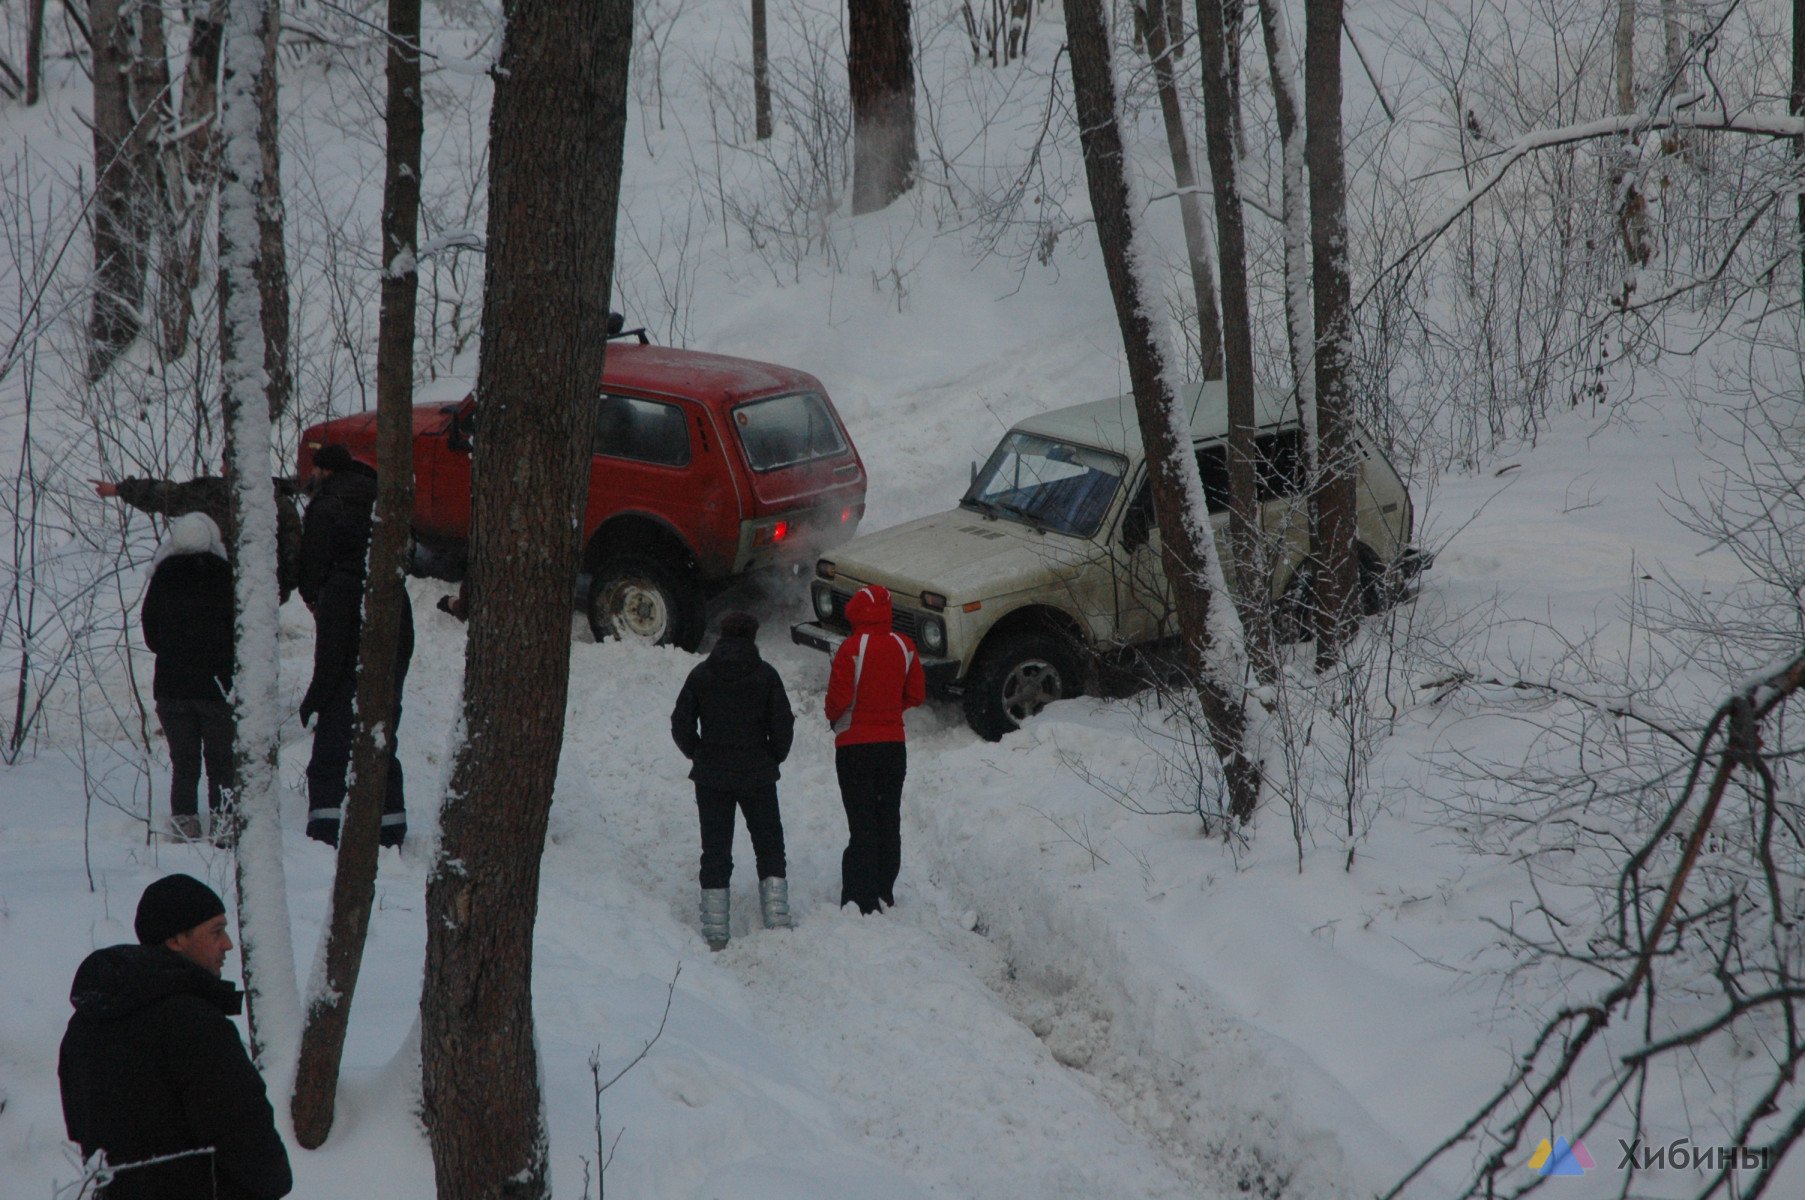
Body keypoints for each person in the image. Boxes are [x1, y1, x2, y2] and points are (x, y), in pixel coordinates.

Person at [58, 873, 293, 1200]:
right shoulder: (194, 1024)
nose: (227, 944)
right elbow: (253, 1150)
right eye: (216, 931)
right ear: (177, 939)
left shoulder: (86, 1025)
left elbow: (86, 1136)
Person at [298, 444, 412, 848]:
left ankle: (325, 827)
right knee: (382, 736)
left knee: (333, 737)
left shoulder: (326, 511)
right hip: (391, 640)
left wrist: (313, 699)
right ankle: (390, 826)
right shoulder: (381, 498)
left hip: (346, 636)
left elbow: (330, 658)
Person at [670, 611, 796, 949]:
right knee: (769, 845)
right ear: (752, 637)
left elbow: (680, 723)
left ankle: (715, 932)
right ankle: (777, 921)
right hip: (757, 773)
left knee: (715, 850)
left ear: (721, 638)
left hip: (712, 777)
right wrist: (772, 757)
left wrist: (700, 753)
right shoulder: (766, 676)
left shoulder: (701, 675)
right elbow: (783, 725)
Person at [824, 584, 926, 914]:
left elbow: (837, 701)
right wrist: (890, 713)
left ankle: (859, 896)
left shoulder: (852, 648)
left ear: (856, 613)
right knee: (888, 818)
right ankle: (884, 889)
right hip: (893, 748)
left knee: (862, 821)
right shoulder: (904, 645)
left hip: (855, 748)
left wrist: (835, 717)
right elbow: (917, 694)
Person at [141, 512, 237, 845]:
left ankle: (184, 827)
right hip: (217, 687)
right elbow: (238, 631)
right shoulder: (226, 576)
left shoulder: (162, 576)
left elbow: (150, 635)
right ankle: (225, 829)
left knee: (184, 763)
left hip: (172, 688)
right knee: (222, 761)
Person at [95, 471, 304, 603]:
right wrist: (280, 590)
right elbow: (293, 554)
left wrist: (120, 489)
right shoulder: (279, 502)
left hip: (214, 592)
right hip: (262, 596)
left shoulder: (211, 492)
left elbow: (166, 495)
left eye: (224, 465)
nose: (221, 470)